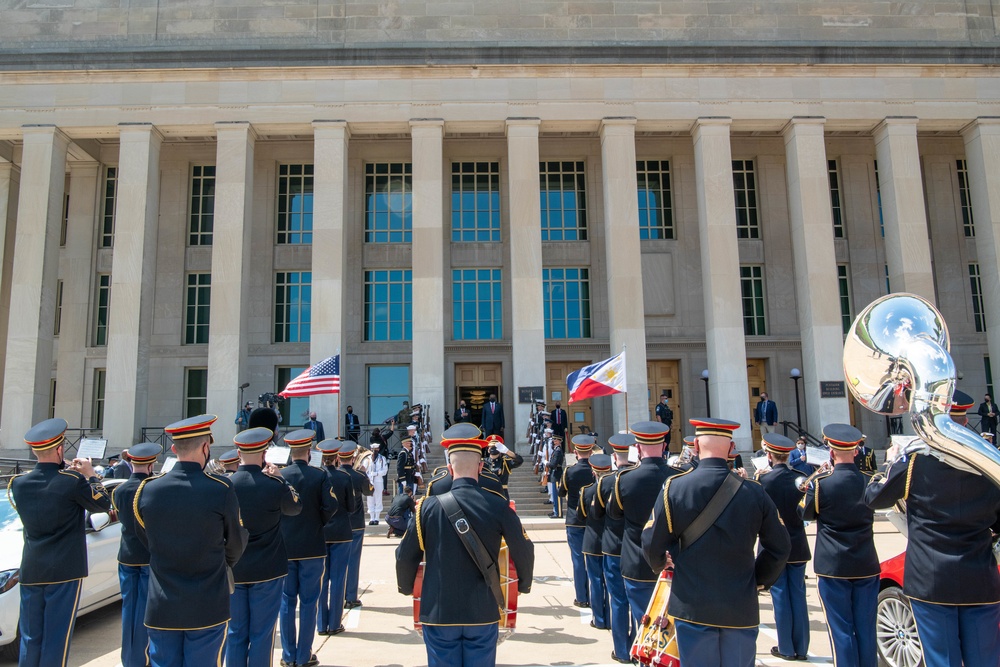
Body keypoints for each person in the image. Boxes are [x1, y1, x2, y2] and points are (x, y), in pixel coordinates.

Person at [865, 390, 1000, 667]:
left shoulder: (915, 462)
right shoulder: (990, 464)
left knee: (942, 661)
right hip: (980, 578)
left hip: (931, 580)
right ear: (963, 422)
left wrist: (891, 463)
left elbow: (874, 498)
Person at [642, 417, 790, 667]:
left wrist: (660, 564)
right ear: (732, 450)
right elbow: (780, 546)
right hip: (739, 606)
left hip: (692, 604)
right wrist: (759, 580)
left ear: (696, 447)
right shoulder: (754, 492)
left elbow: (652, 541)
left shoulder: (674, 488)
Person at [395, 425, 535, 667]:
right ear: (481, 468)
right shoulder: (498, 505)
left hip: (438, 610)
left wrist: (407, 587)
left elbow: (405, 555)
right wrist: (523, 584)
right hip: (482, 610)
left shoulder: (426, 507)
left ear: (450, 468)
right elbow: (524, 549)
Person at [133, 414, 248, 667]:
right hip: (207, 601)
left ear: (173, 449)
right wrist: (221, 563)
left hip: (162, 603)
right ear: (206, 447)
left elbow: (145, 538)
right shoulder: (220, 488)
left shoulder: (148, 489)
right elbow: (236, 542)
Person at [8, 418, 113, 667]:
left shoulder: (18, 483)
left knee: (31, 637)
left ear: (34, 451)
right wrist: (90, 474)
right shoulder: (72, 482)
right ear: (59, 449)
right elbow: (103, 504)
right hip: (64, 570)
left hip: (33, 568)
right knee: (56, 637)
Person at [799, 423, 880, 667]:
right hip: (865, 562)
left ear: (831, 452)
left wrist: (813, 479)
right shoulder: (871, 480)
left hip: (833, 565)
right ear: (856, 452)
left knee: (841, 630)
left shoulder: (822, 483)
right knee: (866, 628)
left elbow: (804, 514)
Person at [227, 427, 302, 667]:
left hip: (234, 569)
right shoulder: (273, 484)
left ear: (239, 453)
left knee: (236, 633)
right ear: (264, 454)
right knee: (262, 634)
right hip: (268, 569)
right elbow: (294, 507)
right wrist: (282, 479)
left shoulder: (225, 485)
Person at [605, 421, 678, 628]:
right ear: (664, 446)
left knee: (643, 625)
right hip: (674, 562)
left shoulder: (625, 479)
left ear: (637, 448)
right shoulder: (679, 476)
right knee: (672, 627)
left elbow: (614, 514)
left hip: (637, 561)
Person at [278, 428, 337, 667]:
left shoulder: (280, 475)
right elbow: (330, 506)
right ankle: (304, 655)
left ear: (291, 451)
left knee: (287, 602)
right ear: (310, 450)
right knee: (310, 602)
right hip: (312, 546)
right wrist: (318, 523)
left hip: (285, 548)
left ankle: (288, 655)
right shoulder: (319, 475)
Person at [757, 432, 811, 661]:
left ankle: (786, 648)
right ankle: (801, 647)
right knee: (798, 595)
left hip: (774, 545)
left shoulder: (764, 480)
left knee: (780, 596)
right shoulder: (800, 478)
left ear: (769, 455)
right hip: (797, 543)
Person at [110, 442, 161, 667]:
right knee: (151, 612)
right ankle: (146, 658)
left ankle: (131, 660)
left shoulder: (119, 490)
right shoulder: (154, 487)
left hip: (128, 556)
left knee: (130, 611)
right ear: (151, 464)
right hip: (149, 556)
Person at [591, 433, 637, 664]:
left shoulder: (607, 481)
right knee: (642, 604)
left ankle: (622, 650)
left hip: (615, 547)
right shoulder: (653, 478)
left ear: (614, 456)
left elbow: (597, 514)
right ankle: (640, 647)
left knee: (618, 601)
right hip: (641, 550)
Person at [316, 439, 358, 637]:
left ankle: (321, 623)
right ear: (336, 457)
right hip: (341, 532)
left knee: (322, 580)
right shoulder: (343, 477)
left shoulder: (317, 476)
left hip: (321, 533)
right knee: (338, 579)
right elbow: (351, 507)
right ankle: (334, 623)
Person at [561, 434, 595, 608]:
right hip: (592, 520)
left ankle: (581, 597)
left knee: (578, 560)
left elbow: (561, 492)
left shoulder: (570, 471)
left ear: (575, 452)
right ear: (591, 451)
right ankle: (594, 597)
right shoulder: (595, 471)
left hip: (574, 520)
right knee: (594, 560)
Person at [338, 441, 374, 610]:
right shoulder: (359, 476)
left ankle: (338, 597)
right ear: (353, 458)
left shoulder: (333, 475)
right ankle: (351, 596)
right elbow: (370, 491)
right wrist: (364, 474)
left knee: (337, 562)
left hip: (338, 523)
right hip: (356, 523)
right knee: (353, 560)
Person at [580, 453, 613, 630]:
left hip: (593, 540)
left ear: (593, 472)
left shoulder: (587, 491)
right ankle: (609, 617)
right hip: (610, 541)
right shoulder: (616, 486)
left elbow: (581, 515)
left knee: (596, 581)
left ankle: (599, 619)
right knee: (611, 583)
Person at [483, 434, 524, 500]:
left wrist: (507, 451)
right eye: (491, 447)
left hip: (501, 493)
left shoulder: (505, 461)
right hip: (487, 492)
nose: (493, 449)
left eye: (495, 447)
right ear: (488, 449)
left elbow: (519, 461)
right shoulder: (483, 462)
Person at [366, 442, 389, 524]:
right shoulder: (367, 459)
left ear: (378, 450)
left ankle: (377, 518)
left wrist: (376, 473)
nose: (374, 451)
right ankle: (371, 518)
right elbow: (364, 469)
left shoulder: (382, 458)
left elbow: (385, 471)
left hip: (378, 480)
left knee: (378, 498)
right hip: (369, 481)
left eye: (375, 450)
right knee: (370, 499)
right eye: (372, 450)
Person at [545, 435, 565, 518]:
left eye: (555, 440)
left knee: (557, 495)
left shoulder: (558, 450)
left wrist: (547, 463)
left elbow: (553, 464)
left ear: (559, 441)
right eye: (553, 440)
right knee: (554, 494)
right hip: (554, 473)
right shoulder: (556, 450)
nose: (554, 441)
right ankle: (555, 511)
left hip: (557, 474)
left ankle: (558, 513)